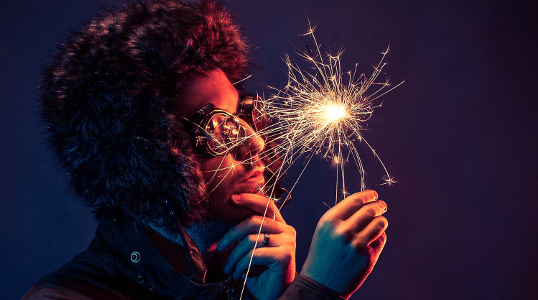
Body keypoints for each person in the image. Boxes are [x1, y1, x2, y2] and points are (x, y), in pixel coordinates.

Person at [22, 1, 389, 299]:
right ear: (152, 161)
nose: (254, 141)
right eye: (216, 127)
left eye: (241, 114)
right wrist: (315, 293)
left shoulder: (245, 278)